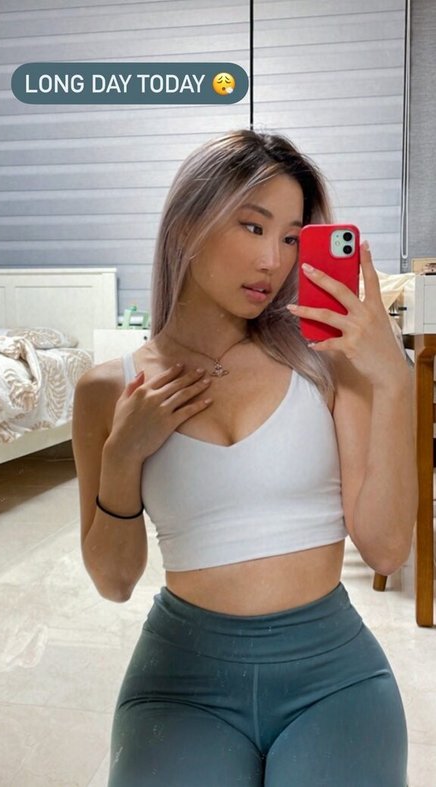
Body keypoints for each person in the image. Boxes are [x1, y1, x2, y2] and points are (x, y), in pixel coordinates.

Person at [72, 129, 418, 787]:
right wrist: (123, 456)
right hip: (181, 678)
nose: (272, 260)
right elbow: (114, 582)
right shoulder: (107, 390)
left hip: (334, 678)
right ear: (188, 223)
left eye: (291, 237)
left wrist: (393, 380)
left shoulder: (326, 364)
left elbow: (385, 549)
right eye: (252, 226)